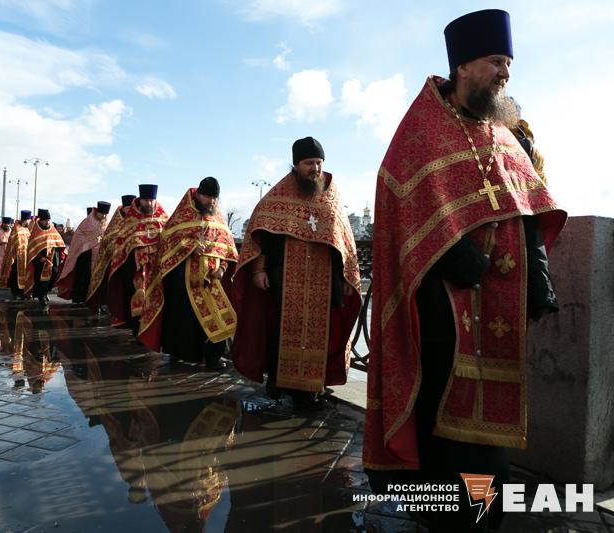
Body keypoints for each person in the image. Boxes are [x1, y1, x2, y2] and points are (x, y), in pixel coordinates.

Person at [362, 10, 567, 530]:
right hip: (439, 308)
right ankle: (442, 516)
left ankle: (484, 515)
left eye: (509, 64)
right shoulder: (419, 130)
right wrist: (451, 252)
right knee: (443, 422)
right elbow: (401, 212)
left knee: (490, 433)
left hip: (500, 305)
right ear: (463, 66)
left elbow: (527, 216)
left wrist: (540, 281)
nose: (506, 74)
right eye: (497, 62)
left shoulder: (506, 135)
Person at [230, 137, 362, 410]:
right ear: (296, 165)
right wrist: (259, 269)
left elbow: (344, 241)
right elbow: (261, 234)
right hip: (284, 276)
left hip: (324, 280)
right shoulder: (279, 195)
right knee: (282, 330)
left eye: (318, 163)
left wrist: (348, 277)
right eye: (308, 163)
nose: (315, 169)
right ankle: (280, 385)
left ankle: (313, 388)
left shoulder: (331, 195)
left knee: (320, 333)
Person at [139, 177, 238, 370]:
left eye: (214, 198)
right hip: (182, 279)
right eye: (207, 196)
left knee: (218, 317)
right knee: (183, 319)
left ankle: (213, 358)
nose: (211, 201)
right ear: (198, 194)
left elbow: (227, 249)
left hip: (211, 280)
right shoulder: (182, 215)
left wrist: (222, 268)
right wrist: (190, 247)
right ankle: (181, 354)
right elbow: (167, 242)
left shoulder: (218, 218)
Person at [103, 185, 167, 334]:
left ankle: (154, 331)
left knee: (156, 300)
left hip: (157, 268)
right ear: (140, 200)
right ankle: (137, 330)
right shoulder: (131, 220)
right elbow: (122, 244)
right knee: (136, 298)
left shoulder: (163, 218)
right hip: (135, 268)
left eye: (151, 200)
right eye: (145, 200)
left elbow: (169, 239)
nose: (149, 204)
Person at [87, 194, 136, 312]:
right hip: (111, 258)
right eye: (128, 208)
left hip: (130, 259)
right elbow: (108, 238)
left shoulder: (136, 219)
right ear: (123, 208)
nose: (130, 210)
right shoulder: (116, 221)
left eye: (132, 208)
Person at [56, 201, 111, 304]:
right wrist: (88, 244)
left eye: (105, 214)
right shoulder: (87, 222)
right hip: (85, 255)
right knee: (83, 277)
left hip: (100, 256)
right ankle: (80, 298)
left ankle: (95, 299)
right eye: (101, 213)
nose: (103, 216)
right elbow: (78, 236)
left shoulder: (108, 223)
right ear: (97, 211)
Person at [25, 209, 66, 306]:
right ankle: (41, 296)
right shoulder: (35, 230)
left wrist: (61, 255)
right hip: (40, 259)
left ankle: (45, 292)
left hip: (53, 258)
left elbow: (59, 242)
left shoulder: (52, 228)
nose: (47, 222)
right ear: (41, 220)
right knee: (41, 278)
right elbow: (32, 246)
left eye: (49, 220)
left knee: (54, 273)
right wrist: (39, 257)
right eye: (46, 220)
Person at [0, 210, 32, 300]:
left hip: (26, 255)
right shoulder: (16, 228)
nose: (30, 222)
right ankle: (15, 292)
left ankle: (23, 292)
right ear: (26, 219)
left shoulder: (26, 229)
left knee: (25, 275)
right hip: (17, 256)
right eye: (29, 220)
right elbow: (13, 243)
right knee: (15, 274)